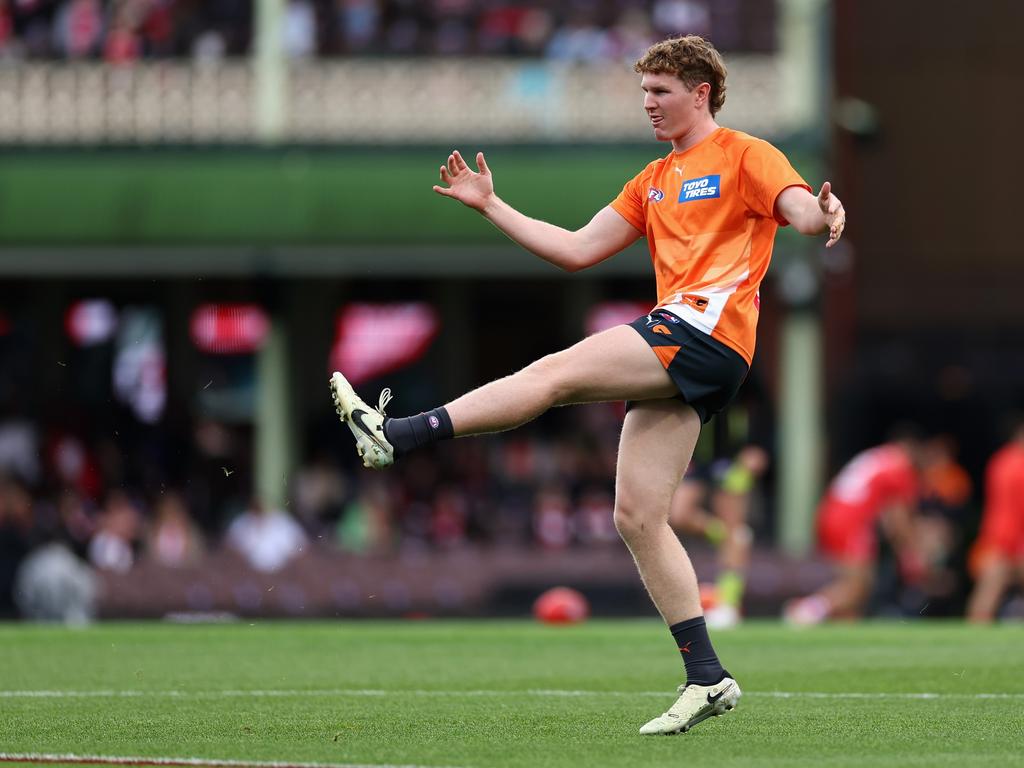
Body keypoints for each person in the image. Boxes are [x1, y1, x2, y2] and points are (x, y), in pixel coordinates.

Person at [330, 35, 845, 735]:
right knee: (636, 516)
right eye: (644, 94)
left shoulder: (746, 154)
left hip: (705, 331)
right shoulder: (652, 179)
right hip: (694, 346)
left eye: (661, 93)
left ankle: (396, 434)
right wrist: (491, 206)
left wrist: (823, 214)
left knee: (555, 373)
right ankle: (707, 676)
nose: (649, 106)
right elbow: (576, 249)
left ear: (700, 93)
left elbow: (798, 208)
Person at [784, 429, 927, 625]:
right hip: (850, 520)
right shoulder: (898, 465)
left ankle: (843, 629)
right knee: (859, 584)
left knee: (852, 585)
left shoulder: (877, 458)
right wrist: (910, 553)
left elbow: (886, 515)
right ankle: (806, 611)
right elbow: (897, 519)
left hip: (831, 513)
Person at [669, 445, 769, 628]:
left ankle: (728, 604)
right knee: (680, 515)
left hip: (732, 454)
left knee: (736, 531)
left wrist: (756, 448)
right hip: (695, 451)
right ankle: (729, 543)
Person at [966, 417, 1024, 622]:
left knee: (988, 592)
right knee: (990, 589)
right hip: (1011, 536)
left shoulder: (1000, 460)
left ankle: (974, 633)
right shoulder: (1019, 464)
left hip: (993, 533)